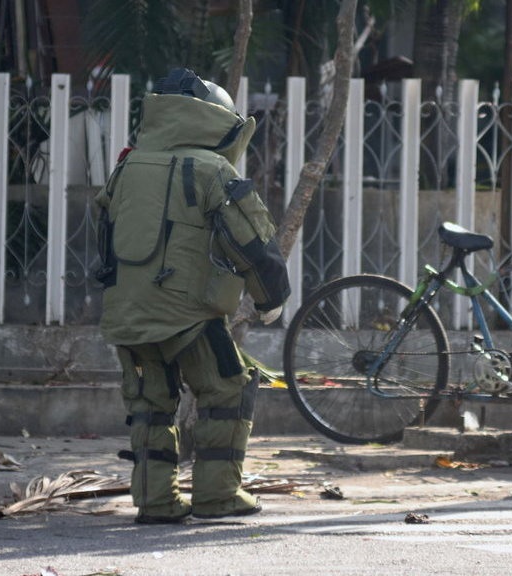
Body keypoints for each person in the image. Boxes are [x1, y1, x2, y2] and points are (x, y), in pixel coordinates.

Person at [94, 67, 290, 523]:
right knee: (226, 390)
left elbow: (105, 231)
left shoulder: (128, 164)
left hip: (127, 308)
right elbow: (251, 240)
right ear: (214, 119)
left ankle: (155, 502)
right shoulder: (211, 168)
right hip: (189, 314)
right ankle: (218, 495)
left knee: (149, 403)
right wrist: (270, 297)